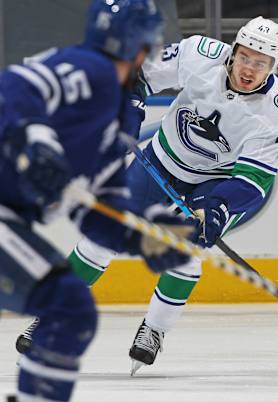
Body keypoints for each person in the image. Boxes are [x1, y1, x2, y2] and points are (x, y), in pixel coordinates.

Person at [17, 16, 278, 376]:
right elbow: (137, 74)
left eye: (261, 63)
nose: (249, 68)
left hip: (217, 183)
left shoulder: (277, 112)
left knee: (185, 253)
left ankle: (154, 330)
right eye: (245, 57)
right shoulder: (200, 54)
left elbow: (254, 179)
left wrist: (218, 207)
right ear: (233, 51)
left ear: (275, 65)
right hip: (163, 160)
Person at [0, 1, 193, 401]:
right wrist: (36, 139)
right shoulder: (87, 70)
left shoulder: (121, 109)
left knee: (70, 309)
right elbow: (15, 87)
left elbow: (100, 208)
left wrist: (138, 241)